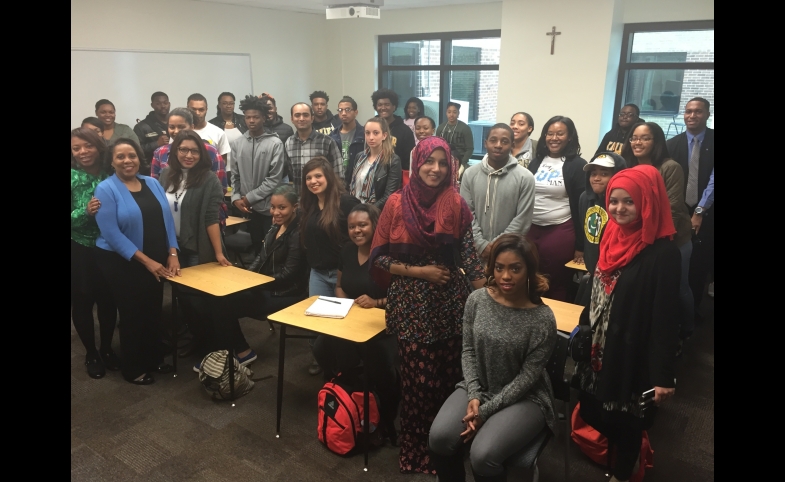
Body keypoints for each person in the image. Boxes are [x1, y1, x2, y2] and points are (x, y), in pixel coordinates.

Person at [369, 137, 485, 474]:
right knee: (418, 384)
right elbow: (381, 258)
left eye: (442, 163)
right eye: (428, 161)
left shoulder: (458, 205)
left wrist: (494, 301)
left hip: (451, 305)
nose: (435, 169)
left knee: (452, 378)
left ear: (451, 167)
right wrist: (421, 272)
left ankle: (450, 444)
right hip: (410, 305)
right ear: (416, 163)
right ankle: (419, 451)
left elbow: (471, 260)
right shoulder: (395, 203)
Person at [573, 165, 680, 482]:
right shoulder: (610, 233)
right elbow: (597, 284)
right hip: (599, 344)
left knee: (626, 419)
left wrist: (663, 376)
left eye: (628, 202)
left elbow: (666, 317)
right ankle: (620, 456)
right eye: (614, 201)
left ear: (646, 202)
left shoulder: (664, 253)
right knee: (593, 409)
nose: (619, 209)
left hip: (632, 350)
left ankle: (623, 470)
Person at [429, 234, 557, 482]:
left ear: (529, 270)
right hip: (481, 384)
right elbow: (468, 351)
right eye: (499, 268)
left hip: (525, 396)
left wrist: (485, 410)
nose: (506, 276)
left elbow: (528, 377)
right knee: (439, 438)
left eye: (515, 269)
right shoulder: (477, 300)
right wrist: (475, 395)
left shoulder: (542, 318)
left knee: (482, 455)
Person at [94, 138, 179, 385]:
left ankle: (152, 357)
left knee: (153, 309)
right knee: (132, 313)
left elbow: (167, 221)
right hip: (122, 261)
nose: (127, 161)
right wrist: (147, 261)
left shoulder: (152, 183)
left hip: (156, 257)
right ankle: (132, 368)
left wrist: (172, 252)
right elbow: (111, 233)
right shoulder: (106, 189)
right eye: (120, 156)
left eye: (131, 155)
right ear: (111, 161)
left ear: (139, 157)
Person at [313, 204, 400, 442]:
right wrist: (346, 304)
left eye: (362, 225)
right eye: (352, 226)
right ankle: (348, 396)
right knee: (321, 347)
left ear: (375, 225)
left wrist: (376, 301)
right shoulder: (347, 251)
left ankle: (388, 415)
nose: (356, 230)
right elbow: (339, 285)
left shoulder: (387, 255)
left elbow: (402, 296)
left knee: (377, 359)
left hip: (382, 325)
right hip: (351, 320)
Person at [622, 122, 692, 340]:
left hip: (671, 242)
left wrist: (649, 242)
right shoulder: (628, 167)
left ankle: (686, 332)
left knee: (677, 289)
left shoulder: (670, 167)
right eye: (634, 137)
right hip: (638, 241)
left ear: (657, 141)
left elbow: (672, 210)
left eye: (645, 138)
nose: (637, 142)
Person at [301, 157, 361, 375]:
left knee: (342, 323)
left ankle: (345, 368)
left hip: (340, 273)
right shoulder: (309, 204)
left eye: (318, 176)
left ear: (328, 176)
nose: (313, 181)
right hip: (317, 272)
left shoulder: (345, 202)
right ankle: (323, 360)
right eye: (308, 177)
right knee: (317, 323)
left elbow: (363, 233)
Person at [71, 128, 119, 379]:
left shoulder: (111, 172)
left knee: (108, 299)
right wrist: (84, 212)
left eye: (86, 146)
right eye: (76, 148)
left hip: (109, 246)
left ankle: (107, 348)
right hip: (79, 248)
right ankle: (91, 353)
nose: (82, 152)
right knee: (82, 301)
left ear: (98, 146)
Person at [526, 116, 588, 301]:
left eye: (560, 134)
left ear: (569, 137)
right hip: (531, 228)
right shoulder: (537, 162)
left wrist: (580, 246)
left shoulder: (577, 165)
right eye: (550, 133)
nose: (554, 138)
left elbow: (581, 207)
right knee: (529, 276)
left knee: (556, 281)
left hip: (560, 230)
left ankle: (555, 324)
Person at [666, 97, 714, 319]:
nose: (692, 115)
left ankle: (692, 313)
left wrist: (700, 211)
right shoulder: (671, 144)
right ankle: (672, 310)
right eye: (688, 111)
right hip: (676, 214)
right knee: (674, 263)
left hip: (708, 212)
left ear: (707, 114)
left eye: (698, 111)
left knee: (699, 264)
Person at [461, 124, 535, 264]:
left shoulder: (525, 178)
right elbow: (466, 214)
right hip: (476, 252)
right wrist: (482, 245)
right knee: (477, 286)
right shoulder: (470, 174)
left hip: (510, 254)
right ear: (486, 143)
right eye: (493, 140)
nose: (498, 145)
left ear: (512, 145)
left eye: (505, 141)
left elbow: (522, 220)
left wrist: (497, 247)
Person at [159, 130, 230, 268]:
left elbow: (211, 219)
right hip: (170, 246)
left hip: (196, 247)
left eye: (195, 151)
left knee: (191, 288)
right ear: (175, 151)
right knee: (174, 286)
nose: (189, 155)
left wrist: (219, 254)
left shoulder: (210, 180)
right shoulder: (166, 174)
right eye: (184, 150)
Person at [149, 108, 228, 226]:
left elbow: (220, 188)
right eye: (171, 127)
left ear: (191, 127)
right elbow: (155, 188)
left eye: (181, 127)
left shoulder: (210, 151)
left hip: (205, 218)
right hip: (171, 218)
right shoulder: (160, 153)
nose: (176, 131)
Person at [230, 95, 285, 254]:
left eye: (256, 117)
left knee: (270, 249)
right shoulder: (238, 143)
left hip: (269, 209)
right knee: (255, 247)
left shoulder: (275, 143)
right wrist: (235, 198)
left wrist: (249, 197)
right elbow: (235, 175)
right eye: (248, 117)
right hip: (248, 209)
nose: (251, 121)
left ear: (264, 118)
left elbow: (274, 179)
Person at [575, 152, 627, 306]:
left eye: (604, 174)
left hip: (615, 277)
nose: (596, 178)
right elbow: (586, 235)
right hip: (594, 272)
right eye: (593, 174)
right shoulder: (584, 198)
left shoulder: (622, 204)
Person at [285, 103, 344, 195]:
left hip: (324, 199)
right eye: (297, 115)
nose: (301, 119)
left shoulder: (327, 142)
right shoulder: (289, 143)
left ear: (312, 118)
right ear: (292, 119)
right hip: (300, 200)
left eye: (305, 115)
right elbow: (291, 173)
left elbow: (338, 174)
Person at [348, 116, 402, 211]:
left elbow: (389, 196)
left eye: (376, 133)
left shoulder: (393, 160)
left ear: (384, 135)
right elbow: (350, 185)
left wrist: (368, 210)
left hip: (376, 213)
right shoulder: (359, 157)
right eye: (367, 133)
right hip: (354, 209)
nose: (371, 137)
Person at [371, 88, 416, 172]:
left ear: (394, 107)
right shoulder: (370, 128)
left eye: (387, 104)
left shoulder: (405, 131)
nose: (383, 108)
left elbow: (409, 161)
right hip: (372, 175)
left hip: (397, 177)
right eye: (380, 104)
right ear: (375, 107)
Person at [187, 93, 231, 171]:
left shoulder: (218, 133)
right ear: (187, 108)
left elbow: (223, 162)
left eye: (201, 109)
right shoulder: (180, 132)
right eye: (193, 109)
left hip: (210, 179)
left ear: (206, 109)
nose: (197, 113)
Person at [209, 92, 247, 178]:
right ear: (219, 105)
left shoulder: (243, 120)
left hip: (244, 168)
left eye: (231, 103)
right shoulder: (212, 124)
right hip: (224, 169)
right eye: (225, 103)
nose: (228, 106)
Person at [329, 96, 365, 179]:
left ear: (356, 112)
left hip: (358, 180)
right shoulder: (332, 136)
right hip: (337, 181)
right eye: (340, 110)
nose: (344, 113)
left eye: (347, 110)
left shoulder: (364, 135)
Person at [134, 91, 171, 169]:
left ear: (169, 104)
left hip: (174, 167)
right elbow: (136, 150)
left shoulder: (176, 123)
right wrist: (156, 144)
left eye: (165, 103)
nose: (163, 106)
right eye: (158, 103)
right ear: (152, 105)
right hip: (151, 169)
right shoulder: (141, 127)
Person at [436, 102, 474, 171]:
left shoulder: (465, 128)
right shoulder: (441, 128)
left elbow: (470, 149)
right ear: (446, 113)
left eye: (454, 112)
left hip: (461, 161)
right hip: (444, 160)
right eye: (449, 112)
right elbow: (437, 146)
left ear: (458, 114)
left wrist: (462, 164)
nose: (451, 115)